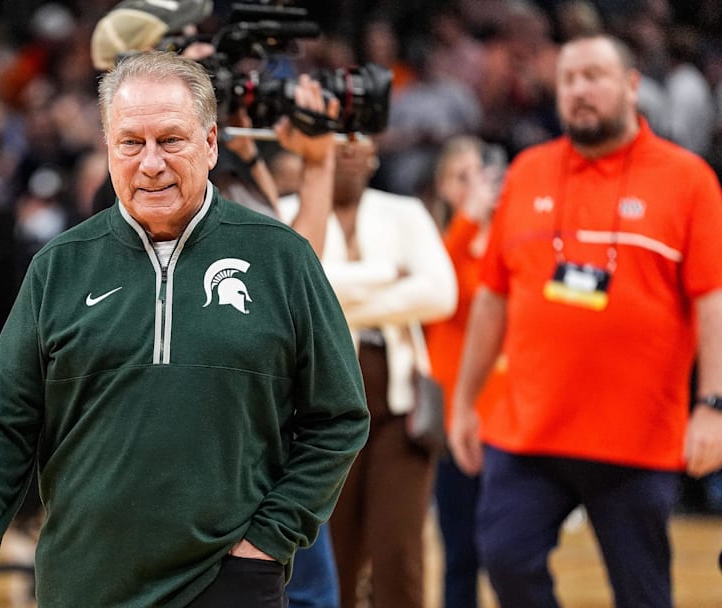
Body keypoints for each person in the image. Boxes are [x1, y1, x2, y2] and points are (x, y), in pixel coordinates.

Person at [0, 50, 370, 608]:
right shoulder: (59, 266)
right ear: (108, 148)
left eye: (172, 140)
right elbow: (4, 428)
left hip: (228, 586)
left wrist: (268, 541)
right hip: (80, 585)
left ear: (211, 143)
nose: (151, 163)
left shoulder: (282, 257)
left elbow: (339, 417)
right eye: (131, 143)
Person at [449, 34, 722, 608]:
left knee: (642, 593)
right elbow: (493, 298)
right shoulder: (527, 171)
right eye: (569, 79)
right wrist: (465, 401)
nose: (579, 90)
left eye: (595, 75)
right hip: (527, 430)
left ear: (630, 86)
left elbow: (712, 301)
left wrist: (712, 406)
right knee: (505, 557)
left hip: (637, 438)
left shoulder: (688, 179)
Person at [278, 113, 458, 608]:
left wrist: (335, 299)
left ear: (376, 153)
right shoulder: (288, 211)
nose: (350, 149)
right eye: (338, 140)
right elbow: (293, 297)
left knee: (399, 550)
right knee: (331, 552)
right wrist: (385, 274)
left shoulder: (405, 213)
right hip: (319, 413)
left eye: (360, 140)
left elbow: (441, 294)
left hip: (401, 409)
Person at [424, 135, 505, 608]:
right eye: (462, 177)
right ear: (443, 187)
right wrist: (470, 218)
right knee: (460, 552)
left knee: (509, 547)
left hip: (505, 416)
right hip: (455, 414)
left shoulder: (503, 245)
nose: (475, 186)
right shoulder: (436, 245)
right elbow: (442, 292)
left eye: (481, 174)